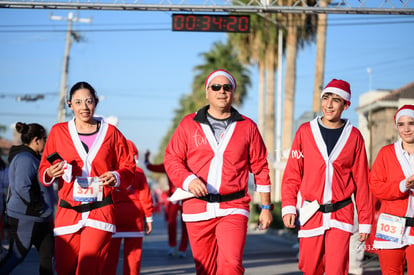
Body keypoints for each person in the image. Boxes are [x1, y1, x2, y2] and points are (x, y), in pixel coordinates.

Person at [164, 69, 273, 275]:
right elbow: (172, 158)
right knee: (205, 270)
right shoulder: (189, 124)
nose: (221, 91)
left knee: (231, 265)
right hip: (197, 208)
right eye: (216, 87)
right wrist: (188, 180)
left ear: (233, 93)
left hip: (233, 206)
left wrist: (266, 207)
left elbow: (260, 166)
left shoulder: (247, 126)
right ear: (207, 92)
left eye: (227, 87)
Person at [38, 81, 136, 275]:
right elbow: (43, 170)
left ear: (96, 102)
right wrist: (50, 173)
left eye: (89, 101)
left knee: (88, 268)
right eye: (78, 102)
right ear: (69, 104)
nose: (84, 106)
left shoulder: (112, 133)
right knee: (65, 269)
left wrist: (116, 175)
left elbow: (129, 166)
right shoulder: (59, 132)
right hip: (68, 212)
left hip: (100, 211)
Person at [281, 78, 373, 275]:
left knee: (336, 270)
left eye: (336, 100)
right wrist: (288, 206)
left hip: (341, 214)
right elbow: (292, 174)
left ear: (346, 105)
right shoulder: (305, 132)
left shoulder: (354, 136)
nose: (329, 104)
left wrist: (365, 221)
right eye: (326, 98)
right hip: (310, 214)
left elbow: (362, 182)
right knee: (310, 268)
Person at [0, 122, 54, 274]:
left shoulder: (31, 157)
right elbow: (22, 187)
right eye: (45, 138)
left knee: (47, 255)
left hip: (39, 218)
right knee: (16, 256)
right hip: (26, 217)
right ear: (37, 140)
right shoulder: (25, 159)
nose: (46, 141)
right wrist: (39, 208)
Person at [369, 104, 414, 275]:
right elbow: (376, 187)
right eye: (401, 124)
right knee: (390, 272)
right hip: (391, 224)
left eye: (411, 123)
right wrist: (402, 186)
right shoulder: (386, 153)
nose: (406, 129)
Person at [103, 140, 153, 275]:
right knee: (133, 257)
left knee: (110, 257)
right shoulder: (139, 172)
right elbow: (145, 196)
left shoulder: (108, 172)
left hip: (113, 216)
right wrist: (148, 218)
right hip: (134, 218)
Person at [144, 150, 189, 257]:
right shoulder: (169, 165)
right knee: (171, 223)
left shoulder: (189, 163)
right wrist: (146, 159)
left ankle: (183, 248)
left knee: (186, 224)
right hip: (174, 197)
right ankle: (172, 246)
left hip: (186, 196)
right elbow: (151, 167)